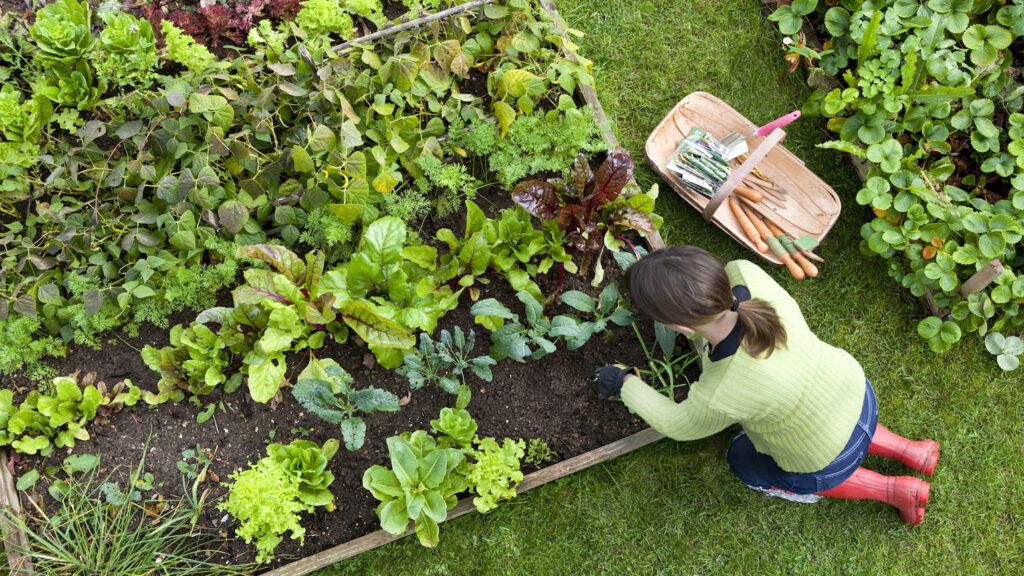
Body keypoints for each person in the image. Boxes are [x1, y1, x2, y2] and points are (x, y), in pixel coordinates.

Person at [594, 246, 939, 524]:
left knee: (741, 459)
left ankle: (894, 490)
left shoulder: (723, 389)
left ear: (680, 326)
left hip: (824, 457)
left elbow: (677, 424)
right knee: (831, 419)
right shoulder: (747, 274)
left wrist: (624, 383)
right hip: (855, 393)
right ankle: (913, 451)